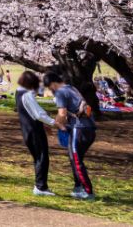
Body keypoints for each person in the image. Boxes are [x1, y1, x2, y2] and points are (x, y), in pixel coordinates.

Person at [43, 72, 97, 201]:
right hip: (89, 128)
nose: (51, 90)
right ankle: (78, 187)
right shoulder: (72, 88)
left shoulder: (61, 92)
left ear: (53, 84)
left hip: (79, 129)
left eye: (50, 87)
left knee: (76, 161)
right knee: (76, 159)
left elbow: (62, 114)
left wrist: (54, 124)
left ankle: (88, 192)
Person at [16, 71, 56, 196]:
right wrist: (54, 123)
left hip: (27, 130)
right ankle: (41, 187)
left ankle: (40, 185)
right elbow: (38, 114)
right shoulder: (27, 95)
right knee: (42, 157)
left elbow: (30, 111)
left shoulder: (18, 92)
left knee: (39, 157)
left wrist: (44, 124)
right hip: (34, 131)